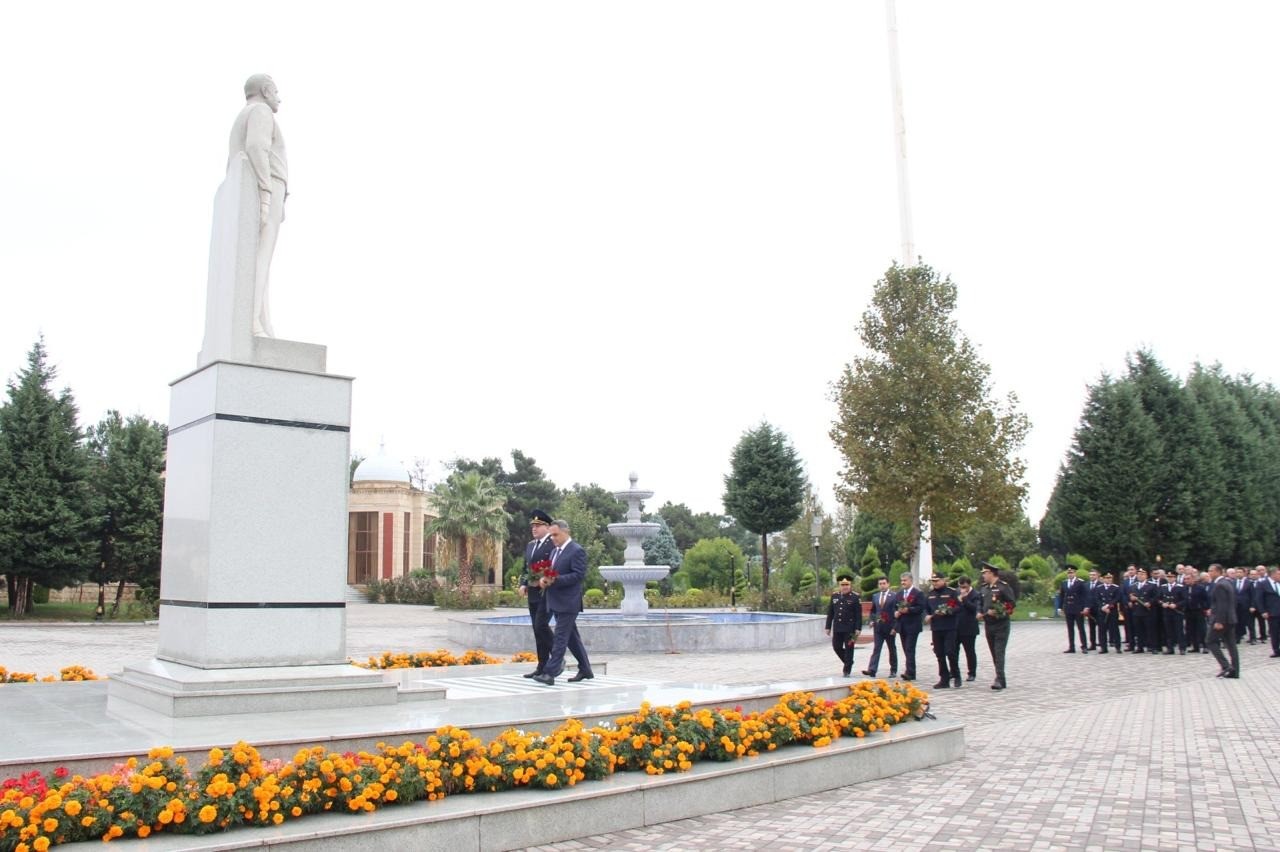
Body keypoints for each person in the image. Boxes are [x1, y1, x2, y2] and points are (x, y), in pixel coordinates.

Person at [228, 73, 288, 337]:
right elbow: (256, 147)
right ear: (265, 90)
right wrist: (266, 192)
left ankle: (262, 322)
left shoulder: (242, 117)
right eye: (276, 92)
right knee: (260, 260)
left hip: (250, 190)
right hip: (264, 187)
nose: (279, 98)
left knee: (258, 261)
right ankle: (252, 322)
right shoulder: (262, 112)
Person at [532, 520, 593, 686]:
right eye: (551, 535)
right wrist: (544, 580)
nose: (553, 538)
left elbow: (578, 575)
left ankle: (550, 673)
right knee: (572, 638)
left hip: (569, 602)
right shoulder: (554, 552)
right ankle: (586, 669)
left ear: (566, 532)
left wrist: (555, 579)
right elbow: (552, 573)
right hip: (555, 600)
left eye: (555, 535)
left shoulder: (576, 550)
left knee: (560, 637)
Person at [517, 509, 556, 678]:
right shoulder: (531, 545)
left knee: (541, 626)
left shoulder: (552, 544)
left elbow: (554, 567)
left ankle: (557, 657)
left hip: (546, 592)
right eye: (533, 525)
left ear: (547, 527)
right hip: (533, 592)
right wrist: (523, 583)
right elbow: (526, 567)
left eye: (538, 525)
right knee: (537, 629)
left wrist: (546, 578)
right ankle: (542, 665)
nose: (534, 528)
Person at [976, 562, 1015, 690]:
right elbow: (980, 603)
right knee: (994, 652)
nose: (983, 575)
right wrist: (979, 612)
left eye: (985, 573)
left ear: (991, 573)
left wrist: (999, 611)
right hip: (989, 624)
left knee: (999, 652)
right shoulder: (984, 588)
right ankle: (1000, 678)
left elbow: (1011, 604)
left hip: (1001, 624)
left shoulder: (1003, 587)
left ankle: (999, 679)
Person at [924, 574, 961, 688]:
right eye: (933, 581)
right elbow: (925, 609)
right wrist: (926, 616)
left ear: (943, 580)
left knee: (950, 652)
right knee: (939, 653)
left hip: (949, 627)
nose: (934, 583)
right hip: (936, 627)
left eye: (937, 581)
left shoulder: (951, 592)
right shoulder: (930, 594)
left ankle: (955, 674)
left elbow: (959, 607)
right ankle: (944, 679)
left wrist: (948, 611)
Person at [1205, 563, 1239, 678]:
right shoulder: (1227, 582)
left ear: (1218, 572)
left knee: (1210, 641)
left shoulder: (1220, 585)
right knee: (1231, 644)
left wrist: (1219, 621)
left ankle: (1226, 666)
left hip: (1222, 620)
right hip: (1229, 618)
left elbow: (1222, 604)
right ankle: (1235, 671)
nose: (1209, 573)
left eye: (1211, 571)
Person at [824, 576, 863, 677]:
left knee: (849, 648)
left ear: (850, 586)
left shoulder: (855, 597)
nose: (844, 587)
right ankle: (848, 661)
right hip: (838, 627)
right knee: (836, 647)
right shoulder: (835, 596)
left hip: (851, 629)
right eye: (842, 585)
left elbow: (858, 614)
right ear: (839, 585)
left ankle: (847, 670)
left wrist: (858, 628)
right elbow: (830, 612)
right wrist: (828, 626)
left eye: (847, 585)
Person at [862, 576, 898, 678]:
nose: (882, 586)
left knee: (892, 649)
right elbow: (873, 611)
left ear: (888, 584)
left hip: (890, 627)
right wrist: (872, 620)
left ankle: (893, 670)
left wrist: (895, 627)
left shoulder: (894, 596)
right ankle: (872, 669)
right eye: (880, 584)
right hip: (878, 627)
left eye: (884, 583)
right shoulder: (876, 596)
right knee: (877, 648)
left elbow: (897, 612)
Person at [893, 574, 925, 681]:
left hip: (913, 625)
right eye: (901, 581)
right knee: (905, 648)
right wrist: (896, 613)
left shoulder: (917, 593)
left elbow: (921, 608)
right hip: (902, 625)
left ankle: (910, 672)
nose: (903, 583)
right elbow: (895, 607)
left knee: (909, 648)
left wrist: (909, 610)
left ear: (911, 580)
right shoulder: (899, 594)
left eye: (905, 580)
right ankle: (910, 670)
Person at [954, 576, 980, 681]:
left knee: (969, 651)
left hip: (969, 628)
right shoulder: (956, 593)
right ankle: (954, 672)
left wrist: (964, 598)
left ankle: (972, 673)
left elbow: (974, 608)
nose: (962, 589)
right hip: (956, 627)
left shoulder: (976, 594)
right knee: (953, 651)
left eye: (964, 587)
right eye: (960, 587)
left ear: (969, 585)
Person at [1060, 565, 1089, 653]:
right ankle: (1071, 647)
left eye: (1071, 572)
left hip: (1078, 608)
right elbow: (1062, 596)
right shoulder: (1064, 583)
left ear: (1075, 573)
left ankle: (1084, 646)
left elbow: (1085, 596)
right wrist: (1060, 607)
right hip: (1068, 608)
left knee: (1081, 628)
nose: (1070, 574)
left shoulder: (1080, 582)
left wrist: (1085, 607)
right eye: (1068, 573)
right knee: (1070, 628)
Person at [1093, 572, 1123, 653]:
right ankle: (1103, 647)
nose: (1108, 579)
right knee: (1102, 629)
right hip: (1102, 611)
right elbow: (1097, 599)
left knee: (1114, 629)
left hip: (1112, 611)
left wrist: (1109, 605)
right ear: (1103, 579)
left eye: (1110, 578)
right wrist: (1102, 607)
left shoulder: (1116, 588)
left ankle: (1118, 647)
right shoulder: (1099, 588)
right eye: (1106, 578)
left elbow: (1117, 598)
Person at [1159, 568, 1188, 654]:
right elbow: (1159, 598)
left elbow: (1185, 599)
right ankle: (1170, 648)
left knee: (1179, 630)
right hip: (1167, 612)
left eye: (1171, 577)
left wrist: (1176, 605)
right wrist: (1162, 604)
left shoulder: (1181, 587)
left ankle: (1182, 648)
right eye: (1168, 577)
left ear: (1175, 578)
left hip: (1177, 612)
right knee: (1168, 631)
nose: (1170, 578)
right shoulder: (1163, 587)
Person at [1259, 566, 1280, 658]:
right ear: (1273, 574)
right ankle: (1276, 650)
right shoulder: (1263, 584)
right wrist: (1263, 611)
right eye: (1278, 574)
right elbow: (1259, 599)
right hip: (1272, 612)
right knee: (1274, 632)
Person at [1083, 569, 1102, 650]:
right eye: (1090, 575)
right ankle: (1092, 644)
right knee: (1091, 628)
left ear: (1097, 575)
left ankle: (1102, 644)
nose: (1092, 576)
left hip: (1098, 609)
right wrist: (1086, 607)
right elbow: (1084, 597)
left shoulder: (1101, 584)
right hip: (1089, 610)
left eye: (1094, 575)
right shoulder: (1086, 585)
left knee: (1101, 627)